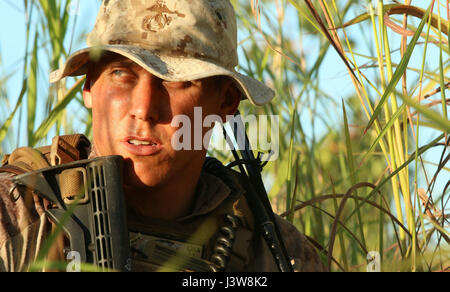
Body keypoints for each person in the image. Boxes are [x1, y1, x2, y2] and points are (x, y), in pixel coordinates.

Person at [0, 0, 325, 272]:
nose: (144, 108)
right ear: (89, 87)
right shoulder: (16, 215)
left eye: (177, 81)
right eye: (121, 73)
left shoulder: (281, 255)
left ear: (226, 102)